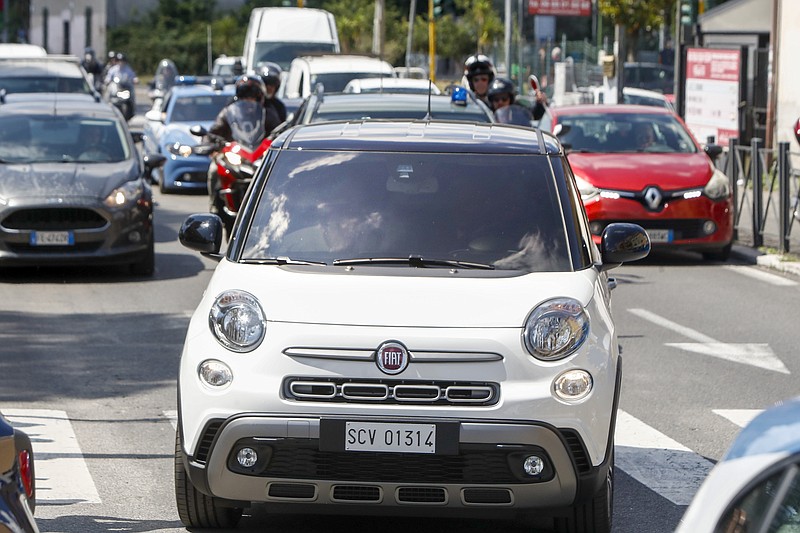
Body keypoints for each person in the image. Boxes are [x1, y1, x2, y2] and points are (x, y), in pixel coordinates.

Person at [207, 76, 268, 225]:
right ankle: (214, 206)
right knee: (214, 169)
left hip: (260, 154)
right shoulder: (228, 112)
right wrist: (213, 148)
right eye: (245, 96)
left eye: (252, 96)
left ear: (259, 97)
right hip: (236, 153)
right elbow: (213, 132)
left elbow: (281, 131)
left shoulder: (268, 112)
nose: (248, 100)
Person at [259, 62, 286, 135]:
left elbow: (282, 130)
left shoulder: (278, 106)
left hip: (269, 143)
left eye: (272, 83)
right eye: (266, 82)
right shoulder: (249, 101)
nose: (269, 87)